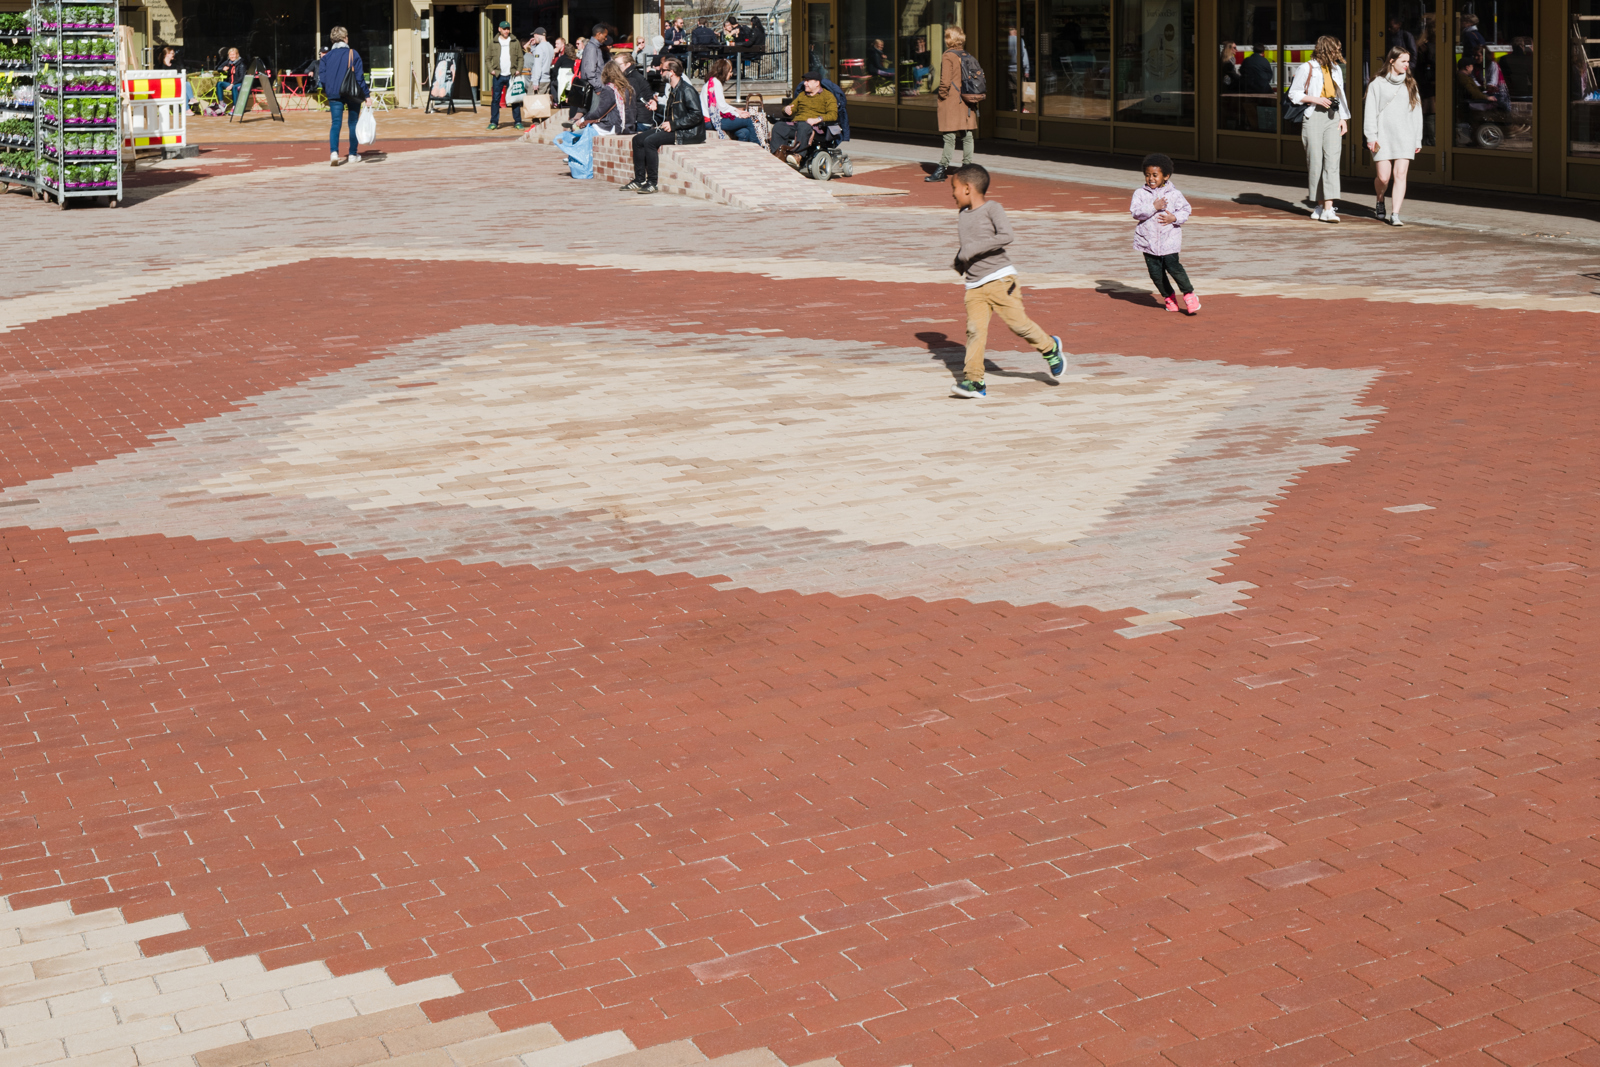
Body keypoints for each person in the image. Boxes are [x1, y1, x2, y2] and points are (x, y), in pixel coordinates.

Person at [946, 163, 1065, 399]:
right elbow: (968, 245)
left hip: (1000, 278)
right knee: (975, 331)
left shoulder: (992, 208)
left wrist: (971, 251)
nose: (952, 193)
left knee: (1018, 325)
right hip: (974, 285)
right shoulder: (962, 214)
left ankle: (1050, 347)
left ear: (968, 188)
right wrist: (960, 262)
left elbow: (1006, 235)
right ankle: (974, 381)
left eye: (955, 187)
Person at [1288, 35, 1349, 222]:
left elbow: (1340, 93)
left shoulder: (1336, 68)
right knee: (1315, 161)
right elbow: (1293, 93)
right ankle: (1320, 205)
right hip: (1313, 115)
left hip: (1332, 116)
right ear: (1325, 49)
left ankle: (1328, 209)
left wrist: (1344, 118)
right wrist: (1315, 99)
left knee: (1332, 161)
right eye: (1334, 50)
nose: (1337, 53)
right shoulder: (1307, 67)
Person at [1131, 153, 1198, 314]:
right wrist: (1154, 206)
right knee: (1156, 274)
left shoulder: (1174, 194)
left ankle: (1189, 294)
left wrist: (1173, 218)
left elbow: (1186, 210)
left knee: (1174, 268)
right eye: (1147, 175)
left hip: (1169, 240)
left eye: (1155, 175)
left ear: (1166, 176)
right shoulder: (1140, 194)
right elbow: (1136, 213)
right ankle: (1169, 297)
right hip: (1148, 242)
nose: (1151, 179)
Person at [1365, 46, 1423, 226]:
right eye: (1403, 61)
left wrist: (1417, 138)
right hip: (1382, 136)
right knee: (1383, 177)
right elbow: (1370, 111)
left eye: (1408, 61)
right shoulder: (1377, 84)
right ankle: (1380, 199)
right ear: (1392, 61)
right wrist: (1370, 136)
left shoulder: (1410, 83)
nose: (1407, 65)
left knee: (1400, 175)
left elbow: (1417, 112)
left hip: (1405, 135)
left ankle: (1395, 213)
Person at [626, 57, 703, 193]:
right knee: (637, 139)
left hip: (688, 132)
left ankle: (652, 182)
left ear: (671, 72)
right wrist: (657, 108)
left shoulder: (686, 90)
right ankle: (639, 179)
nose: (660, 72)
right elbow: (673, 113)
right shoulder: (673, 90)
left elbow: (696, 115)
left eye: (662, 70)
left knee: (650, 141)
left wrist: (674, 125)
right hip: (676, 127)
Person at [928, 26, 977, 182]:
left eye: (946, 36)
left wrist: (942, 96)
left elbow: (945, 82)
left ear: (950, 39)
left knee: (949, 136)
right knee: (967, 135)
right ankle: (967, 168)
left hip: (952, 100)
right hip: (967, 100)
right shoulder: (966, 55)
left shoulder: (948, 56)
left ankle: (942, 169)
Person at [317, 26, 368, 165]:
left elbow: (322, 78)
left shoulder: (326, 57)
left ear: (333, 40)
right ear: (345, 38)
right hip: (352, 92)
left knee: (335, 124)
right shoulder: (353, 53)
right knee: (353, 123)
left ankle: (334, 153)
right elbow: (359, 78)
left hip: (334, 94)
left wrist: (329, 90)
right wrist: (367, 95)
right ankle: (352, 154)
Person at [770, 71, 836, 160]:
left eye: (808, 81)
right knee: (779, 126)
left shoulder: (828, 96)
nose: (805, 83)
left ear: (817, 83)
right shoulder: (802, 95)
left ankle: (798, 156)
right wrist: (786, 109)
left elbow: (833, 114)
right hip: (796, 125)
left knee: (803, 126)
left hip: (814, 127)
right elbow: (792, 107)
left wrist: (818, 119)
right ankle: (778, 154)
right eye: (805, 81)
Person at [702, 58, 759, 142]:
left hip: (711, 119)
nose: (731, 74)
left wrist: (737, 112)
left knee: (744, 133)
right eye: (730, 71)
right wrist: (738, 113)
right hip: (710, 121)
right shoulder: (716, 83)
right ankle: (757, 147)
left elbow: (720, 106)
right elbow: (722, 107)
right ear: (724, 71)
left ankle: (742, 152)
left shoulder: (713, 82)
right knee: (748, 120)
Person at [573, 59, 632, 133]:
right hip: (623, 126)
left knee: (573, 135)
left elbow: (599, 112)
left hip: (609, 127)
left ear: (605, 74)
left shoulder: (609, 89)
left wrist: (582, 119)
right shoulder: (627, 88)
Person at [487, 21, 524, 130]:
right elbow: (487, 58)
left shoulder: (515, 41)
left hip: (511, 75)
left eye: (508, 28)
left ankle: (517, 122)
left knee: (515, 100)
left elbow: (521, 57)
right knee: (495, 100)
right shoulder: (493, 42)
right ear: (499, 29)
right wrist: (491, 70)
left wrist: (518, 69)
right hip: (498, 75)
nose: (506, 31)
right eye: (504, 29)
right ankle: (494, 122)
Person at [525, 27, 554, 93]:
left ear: (537, 35)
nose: (534, 38)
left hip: (539, 80)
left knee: (531, 102)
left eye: (534, 36)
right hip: (546, 79)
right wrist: (533, 46)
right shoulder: (550, 46)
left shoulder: (540, 47)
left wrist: (535, 81)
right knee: (543, 102)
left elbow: (538, 65)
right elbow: (539, 57)